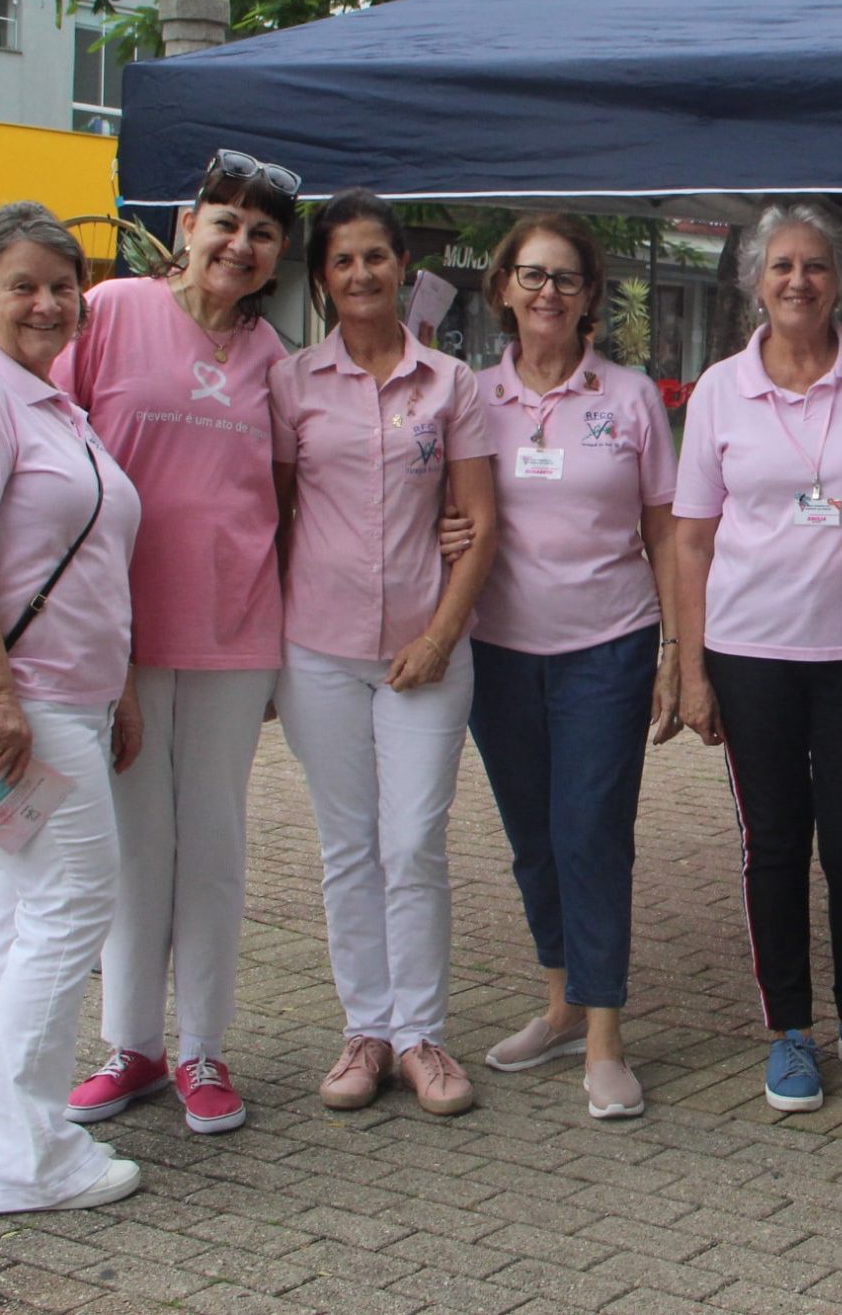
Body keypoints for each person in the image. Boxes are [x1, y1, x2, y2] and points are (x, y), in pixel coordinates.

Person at [0, 149, 296, 1135]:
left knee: (209, 846)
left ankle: (204, 1047)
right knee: (127, 852)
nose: (239, 245)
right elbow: (21, 390)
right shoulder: (110, 308)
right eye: (224, 222)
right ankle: (133, 1047)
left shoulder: (272, 359)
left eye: (262, 233)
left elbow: (291, 491)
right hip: (108, 643)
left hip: (230, 629)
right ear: (185, 227)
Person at [672, 200, 842, 1115]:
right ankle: (789, 1027)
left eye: (815, 265)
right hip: (751, 653)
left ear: (841, 278)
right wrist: (690, 665)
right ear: (755, 279)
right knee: (774, 844)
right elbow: (691, 538)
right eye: (780, 265)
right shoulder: (719, 391)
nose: (798, 280)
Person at [0, 203, 143, 1214]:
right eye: (22, 284)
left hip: (68, 698)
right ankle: (31, 1155)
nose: (46, 302)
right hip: (23, 706)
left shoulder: (46, 400)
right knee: (70, 907)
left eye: (62, 284)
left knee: (14, 914)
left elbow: (80, 557)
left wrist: (118, 686)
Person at [271, 192, 501, 1118]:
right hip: (318, 648)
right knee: (348, 844)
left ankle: (423, 1035)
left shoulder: (450, 383)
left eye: (376, 256)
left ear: (403, 265)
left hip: (427, 650)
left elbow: (481, 524)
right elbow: (274, 513)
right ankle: (364, 1029)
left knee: (412, 841)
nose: (361, 274)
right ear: (322, 277)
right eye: (342, 260)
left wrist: (442, 633)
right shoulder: (291, 383)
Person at [465, 213, 681, 1121]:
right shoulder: (469, 397)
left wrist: (678, 647)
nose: (547, 290)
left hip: (609, 648)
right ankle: (559, 998)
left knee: (590, 832)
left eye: (565, 277)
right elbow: (444, 507)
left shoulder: (629, 398)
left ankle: (605, 1035)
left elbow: (666, 529)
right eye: (531, 274)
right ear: (504, 288)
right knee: (533, 838)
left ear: (591, 294)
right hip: (498, 652)